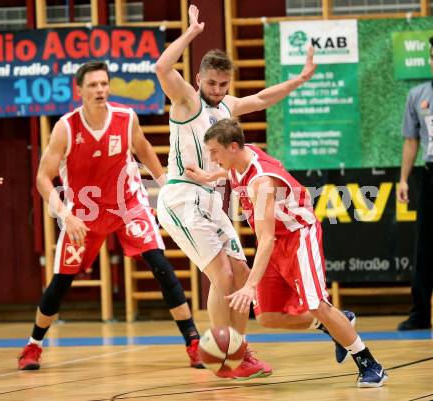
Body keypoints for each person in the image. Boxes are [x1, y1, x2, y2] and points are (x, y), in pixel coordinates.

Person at [155, 5, 318, 379]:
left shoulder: (227, 106)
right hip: (182, 196)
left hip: (213, 199)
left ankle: (239, 353)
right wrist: (192, 32)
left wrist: (301, 79)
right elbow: (162, 68)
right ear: (198, 78)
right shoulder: (187, 101)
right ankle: (222, 350)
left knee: (244, 277)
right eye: (211, 83)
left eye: (223, 84)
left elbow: (261, 98)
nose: (217, 90)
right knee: (221, 275)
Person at [17, 61, 203, 370]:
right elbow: (42, 178)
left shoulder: (125, 117)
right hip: (84, 214)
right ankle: (33, 346)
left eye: (104, 84)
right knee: (61, 282)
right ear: (79, 91)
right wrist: (66, 214)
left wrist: (165, 187)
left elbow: (143, 150)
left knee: (160, 265)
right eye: (93, 85)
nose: (100, 90)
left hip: (127, 204)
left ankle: (193, 342)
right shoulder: (66, 127)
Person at [186, 118, 389, 388]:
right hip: (275, 239)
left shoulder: (261, 183)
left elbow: (266, 239)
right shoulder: (238, 160)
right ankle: (335, 324)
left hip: (297, 235)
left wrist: (250, 286)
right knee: (268, 317)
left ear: (233, 147)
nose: (211, 158)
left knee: (317, 305)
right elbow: (233, 177)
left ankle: (368, 362)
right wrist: (209, 176)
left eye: (214, 152)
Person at [397, 37, 433, 331]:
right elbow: (412, 140)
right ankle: (420, 313)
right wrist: (403, 179)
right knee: (425, 247)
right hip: (430, 174)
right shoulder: (418, 95)